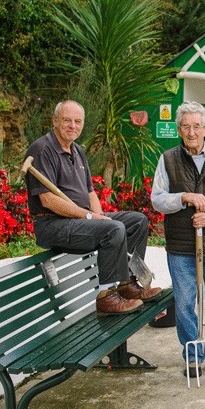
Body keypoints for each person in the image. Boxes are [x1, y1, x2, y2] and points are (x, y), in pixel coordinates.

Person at [25, 100, 162, 316]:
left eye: (77, 121)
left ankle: (128, 284)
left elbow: (90, 193)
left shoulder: (77, 151)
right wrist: (88, 216)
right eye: (67, 120)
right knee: (114, 229)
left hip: (79, 220)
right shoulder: (42, 149)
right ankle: (106, 296)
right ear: (54, 121)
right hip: (53, 224)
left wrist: (96, 215)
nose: (73, 125)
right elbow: (48, 201)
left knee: (137, 221)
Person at [151, 101, 205, 378]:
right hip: (181, 246)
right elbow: (157, 199)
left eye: (197, 126)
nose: (192, 132)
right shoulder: (167, 159)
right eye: (186, 127)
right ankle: (193, 356)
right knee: (186, 303)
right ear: (179, 129)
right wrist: (184, 198)